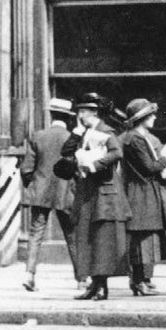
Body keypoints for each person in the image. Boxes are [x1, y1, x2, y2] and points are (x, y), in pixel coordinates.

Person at [59, 93, 132, 300]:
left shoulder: (106, 131)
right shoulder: (84, 132)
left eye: (84, 111)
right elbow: (65, 151)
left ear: (94, 112)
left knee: (101, 241)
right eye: (79, 111)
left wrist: (94, 165)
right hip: (87, 193)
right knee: (86, 238)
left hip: (103, 192)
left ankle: (102, 286)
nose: (80, 115)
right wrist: (75, 133)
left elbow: (117, 153)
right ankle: (93, 284)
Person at [21, 97, 78, 291]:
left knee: (35, 234)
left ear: (51, 114)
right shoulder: (72, 138)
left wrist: (34, 185)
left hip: (41, 192)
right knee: (72, 235)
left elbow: (26, 169)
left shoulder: (38, 136)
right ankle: (82, 279)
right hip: (66, 192)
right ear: (68, 118)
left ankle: (29, 275)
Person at [121, 98, 166, 296]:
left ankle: (143, 280)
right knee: (141, 239)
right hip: (140, 192)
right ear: (141, 118)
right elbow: (149, 167)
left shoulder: (137, 137)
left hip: (142, 191)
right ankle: (139, 281)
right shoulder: (135, 139)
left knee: (145, 239)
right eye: (151, 115)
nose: (155, 118)